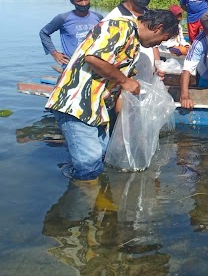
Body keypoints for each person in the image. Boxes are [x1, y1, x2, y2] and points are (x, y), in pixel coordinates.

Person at [46, 10, 179, 181]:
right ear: (158, 28)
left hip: (97, 109)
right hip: (76, 103)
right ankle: (85, 203)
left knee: (101, 157)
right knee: (89, 167)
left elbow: (120, 90)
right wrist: (125, 81)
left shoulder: (134, 46)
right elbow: (94, 59)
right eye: (164, 38)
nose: (161, 43)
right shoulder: (119, 26)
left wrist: (127, 130)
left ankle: (92, 197)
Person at [104, 0, 162, 79]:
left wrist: (157, 65)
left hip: (146, 80)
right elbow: (104, 59)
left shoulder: (148, 15)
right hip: (126, 84)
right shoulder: (114, 20)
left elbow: (154, 45)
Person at [39, 0, 103, 68]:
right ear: (72, 1)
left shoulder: (98, 17)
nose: (84, 3)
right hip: (71, 66)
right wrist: (54, 53)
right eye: (79, 1)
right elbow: (44, 33)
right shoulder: (63, 18)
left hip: (94, 66)